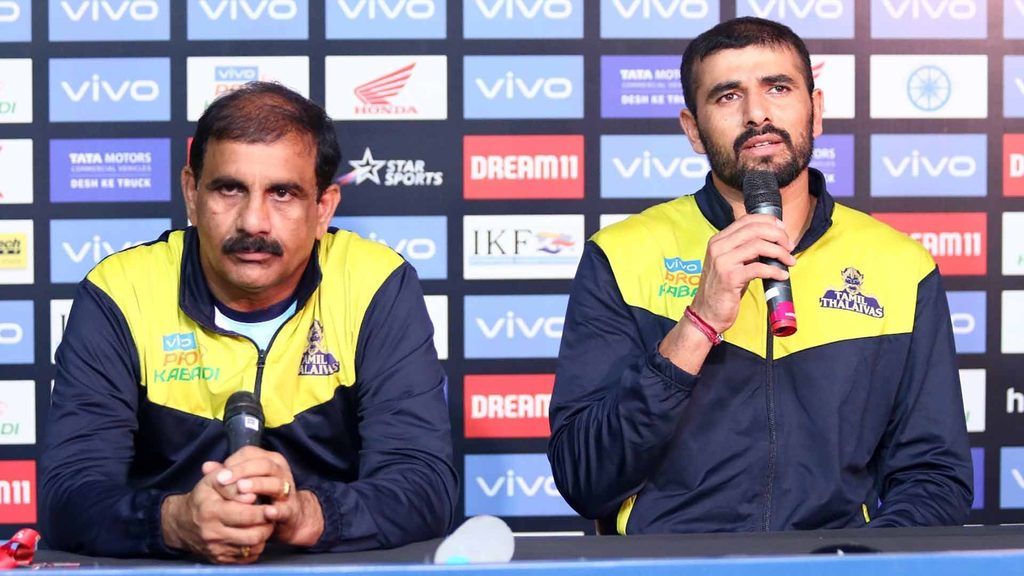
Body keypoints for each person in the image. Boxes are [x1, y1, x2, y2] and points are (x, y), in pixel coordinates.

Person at [547, 17, 972, 535]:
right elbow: (584, 477)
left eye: (778, 87)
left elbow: (935, 478)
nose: (757, 114)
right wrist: (697, 325)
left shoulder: (901, 266)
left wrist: (853, 566)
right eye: (727, 96)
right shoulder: (621, 254)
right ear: (692, 130)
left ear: (816, 111)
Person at [40, 82, 458, 562]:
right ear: (191, 194)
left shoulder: (375, 283)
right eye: (230, 188)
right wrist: (174, 521)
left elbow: (424, 485)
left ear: (323, 208)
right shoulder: (120, 290)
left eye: (282, 193)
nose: (253, 222)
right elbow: (68, 497)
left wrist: (307, 515)